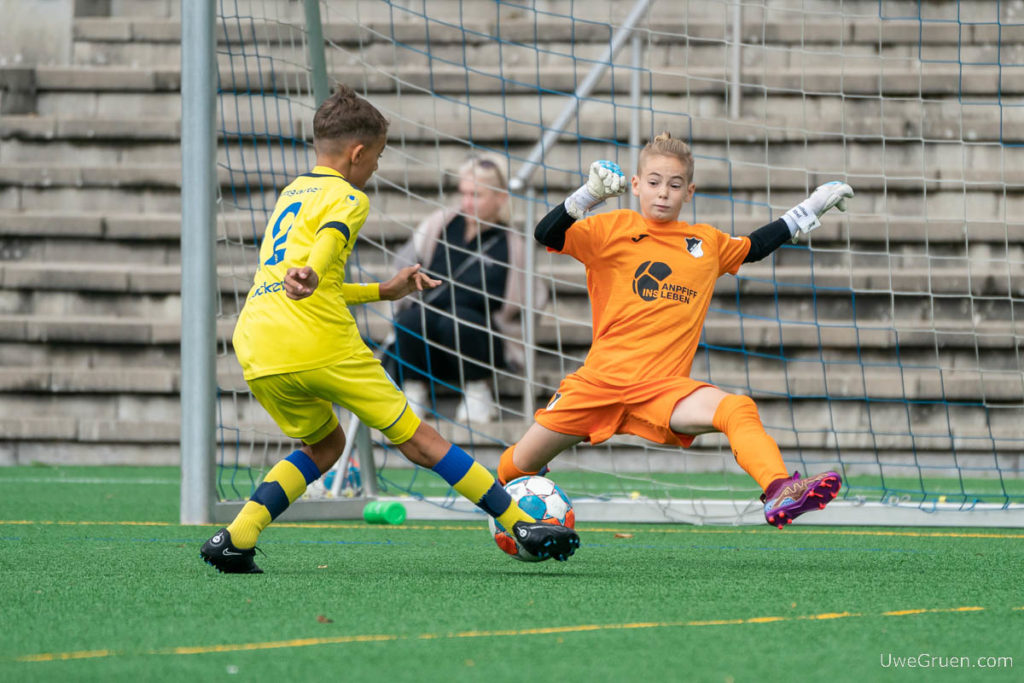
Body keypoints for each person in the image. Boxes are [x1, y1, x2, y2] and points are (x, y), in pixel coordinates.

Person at [200, 85, 578, 573]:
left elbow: (307, 280)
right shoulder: (349, 197)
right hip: (318, 343)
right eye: (376, 157)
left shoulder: (292, 193)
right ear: (358, 153)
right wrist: (314, 270)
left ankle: (236, 538)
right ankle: (520, 521)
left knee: (326, 446)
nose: (377, 167)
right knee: (420, 440)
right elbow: (329, 245)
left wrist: (383, 290)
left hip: (257, 344)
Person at [496, 133, 854, 529]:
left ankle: (780, 490)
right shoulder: (610, 229)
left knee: (736, 408)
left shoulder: (705, 243)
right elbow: (547, 234)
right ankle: (515, 499)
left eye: (674, 184)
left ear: (689, 191)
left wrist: (810, 208)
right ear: (635, 185)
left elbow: (754, 246)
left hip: (662, 390)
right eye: (653, 182)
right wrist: (588, 194)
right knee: (513, 470)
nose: (662, 193)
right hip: (597, 384)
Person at [383, 154, 524, 423]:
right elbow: (406, 263)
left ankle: (478, 392)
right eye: (464, 194)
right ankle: (414, 391)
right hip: (430, 335)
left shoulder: (511, 244)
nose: (467, 202)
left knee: (459, 319)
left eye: (477, 195)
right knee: (411, 319)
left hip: (478, 343)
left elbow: (522, 303)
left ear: (501, 197)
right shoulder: (442, 224)